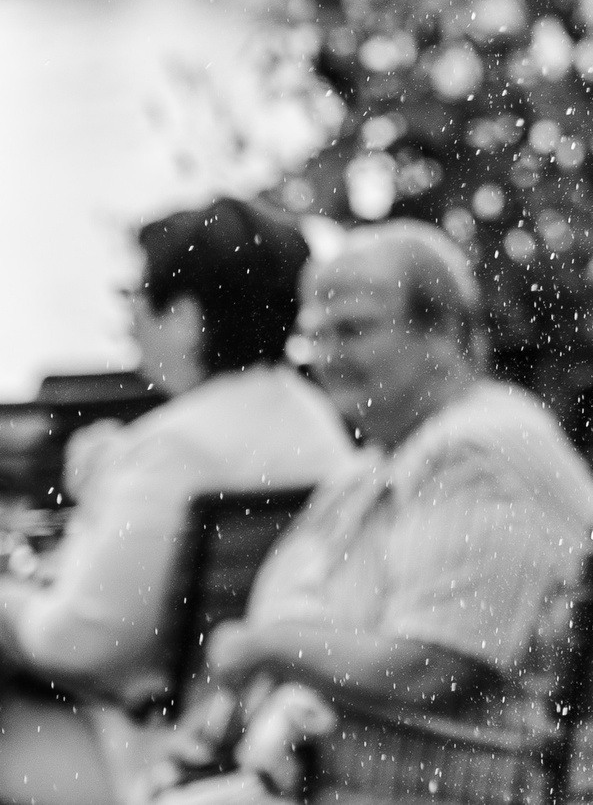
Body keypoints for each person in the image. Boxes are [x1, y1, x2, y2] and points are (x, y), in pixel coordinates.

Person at [0, 199, 356, 805]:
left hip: (149, 746)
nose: (128, 318)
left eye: (135, 295)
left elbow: (78, 641)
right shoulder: (318, 423)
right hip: (251, 724)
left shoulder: (172, 447)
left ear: (188, 316)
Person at [197, 221, 593, 727]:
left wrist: (268, 647)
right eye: (315, 336)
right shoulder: (385, 457)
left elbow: (427, 671)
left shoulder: (473, 451)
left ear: (444, 334)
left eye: (352, 330)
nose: (327, 358)